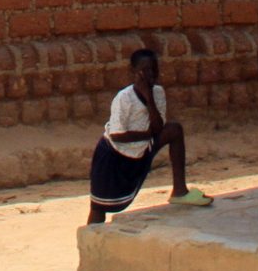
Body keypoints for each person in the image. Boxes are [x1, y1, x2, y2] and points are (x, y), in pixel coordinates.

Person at [86, 48, 212, 224]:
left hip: (142, 147)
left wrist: (149, 97)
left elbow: (158, 127)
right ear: (133, 72)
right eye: (144, 70)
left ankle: (180, 191)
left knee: (174, 130)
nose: (149, 74)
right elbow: (117, 135)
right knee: (99, 207)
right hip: (114, 155)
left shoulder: (158, 93)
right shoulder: (124, 98)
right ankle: (92, 240)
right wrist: (147, 135)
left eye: (153, 69)